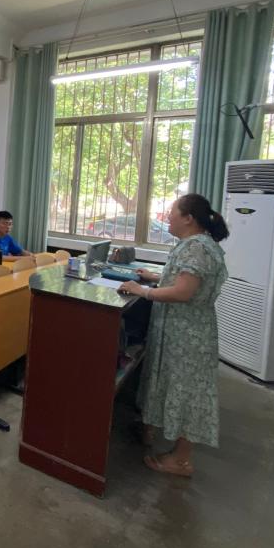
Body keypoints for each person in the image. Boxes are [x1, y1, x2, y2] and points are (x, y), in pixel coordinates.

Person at [117, 193, 230, 478]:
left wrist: (143, 290)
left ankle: (181, 460)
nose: (168, 217)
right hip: (178, 329)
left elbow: (184, 291)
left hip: (188, 334)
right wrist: (155, 277)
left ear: (189, 218)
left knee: (186, 391)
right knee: (167, 381)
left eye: (172, 212)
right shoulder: (196, 244)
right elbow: (183, 278)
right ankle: (150, 427)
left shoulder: (197, 248)